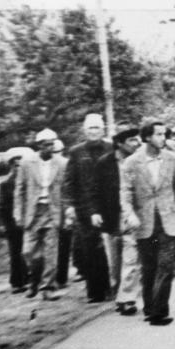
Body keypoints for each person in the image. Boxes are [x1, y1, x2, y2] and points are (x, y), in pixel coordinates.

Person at [121, 120, 175, 325]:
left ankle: (159, 312)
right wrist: (129, 213)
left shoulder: (174, 159)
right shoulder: (132, 162)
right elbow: (125, 193)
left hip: (169, 218)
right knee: (149, 267)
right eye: (158, 134)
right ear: (147, 137)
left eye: (163, 134)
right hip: (144, 221)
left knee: (166, 266)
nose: (163, 138)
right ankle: (149, 308)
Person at [91, 123, 142, 315]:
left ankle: (127, 298)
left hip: (132, 215)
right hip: (111, 217)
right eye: (131, 140)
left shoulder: (139, 160)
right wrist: (95, 212)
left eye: (137, 139)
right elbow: (94, 190)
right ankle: (119, 294)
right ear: (119, 143)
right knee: (114, 262)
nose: (136, 143)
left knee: (131, 258)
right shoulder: (105, 162)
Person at [64, 113, 113, 303]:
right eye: (90, 128)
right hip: (85, 208)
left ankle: (114, 287)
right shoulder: (76, 152)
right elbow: (69, 181)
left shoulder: (111, 147)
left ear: (103, 129)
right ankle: (95, 292)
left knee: (111, 248)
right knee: (90, 250)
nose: (94, 131)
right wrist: (69, 206)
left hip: (109, 206)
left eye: (97, 127)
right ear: (85, 130)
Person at [14, 129, 67, 300]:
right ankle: (34, 281)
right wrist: (18, 212)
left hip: (52, 211)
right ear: (38, 146)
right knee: (29, 252)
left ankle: (47, 287)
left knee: (51, 252)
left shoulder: (61, 163)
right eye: (46, 145)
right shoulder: (27, 163)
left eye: (52, 144)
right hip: (32, 212)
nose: (49, 148)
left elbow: (66, 190)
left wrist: (67, 213)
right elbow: (20, 189)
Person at [0, 147, 32, 293]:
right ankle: (17, 282)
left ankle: (27, 276)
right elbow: (2, 206)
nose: (17, 164)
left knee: (28, 249)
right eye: (15, 162)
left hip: (27, 219)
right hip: (12, 223)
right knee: (16, 250)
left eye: (20, 161)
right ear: (11, 164)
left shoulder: (28, 181)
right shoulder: (5, 184)